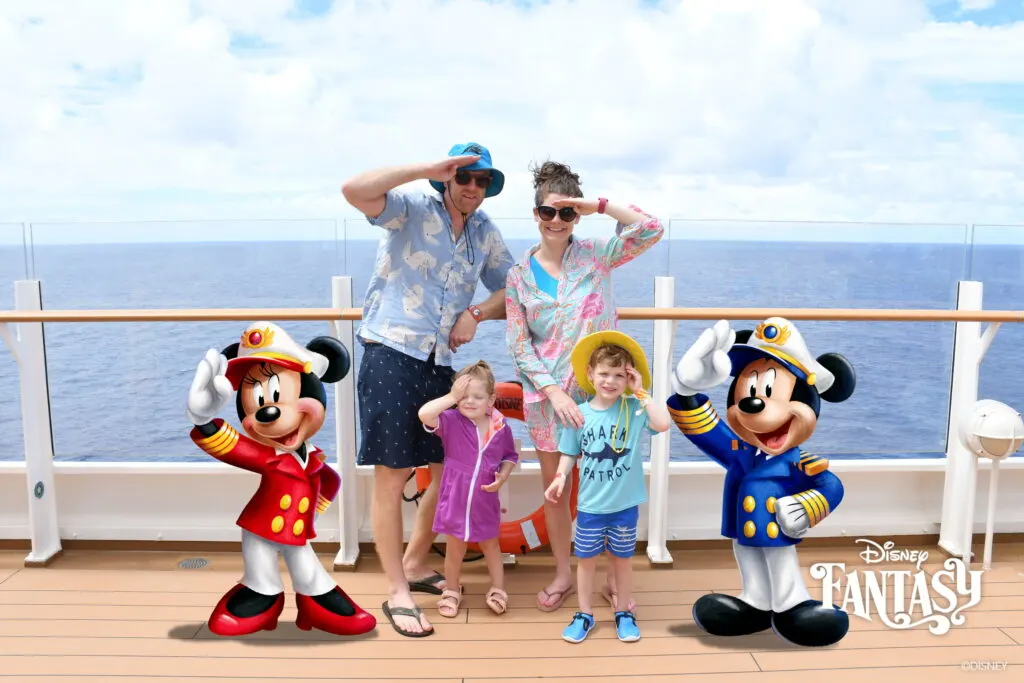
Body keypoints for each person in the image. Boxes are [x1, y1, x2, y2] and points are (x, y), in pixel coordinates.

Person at [340, 142, 515, 638]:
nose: (473, 189)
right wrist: (424, 169)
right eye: (464, 177)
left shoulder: (484, 232)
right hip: (392, 350)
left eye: (482, 181)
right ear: (446, 179)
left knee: (446, 468)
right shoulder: (410, 209)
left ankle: (416, 563)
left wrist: (476, 312)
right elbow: (354, 191)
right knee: (392, 477)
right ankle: (396, 589)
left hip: (441, 362)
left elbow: (515, 288)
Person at [504, 160, 664, 613]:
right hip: (548, 402)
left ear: (577, 216)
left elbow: (651, 228)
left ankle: (615, 579)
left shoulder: (597, 253)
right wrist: (553, 392)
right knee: (556, 492)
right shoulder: (517, 276)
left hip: (607, 396)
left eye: (566, 213)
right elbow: (519, 345)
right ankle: (563, 573)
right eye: (548, 212)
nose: (556, 221)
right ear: (534, 213)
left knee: (609, 485)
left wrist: (598, 205)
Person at [544, 331, 671, 643]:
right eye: (604, 373)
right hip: (590, 506)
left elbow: (663, 423)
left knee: (622, 561)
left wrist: (641, 392)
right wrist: (560, 476)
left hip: (624, 505)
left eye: (619, 375)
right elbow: (569, 452)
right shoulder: (580, 414)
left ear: (629, 377)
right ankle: (584, 613)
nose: (611, 381)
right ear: (590, 374)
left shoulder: (634, 409)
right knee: (585, 562)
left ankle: (623, 611)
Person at [418, 360, 519, 619]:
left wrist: (503, 476)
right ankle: (451, 590)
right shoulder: (450, 420)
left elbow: (510, 455)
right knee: (455, 548)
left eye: (477, 396)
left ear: (491, 399)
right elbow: (424, 414)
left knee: (491, 547)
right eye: (464, 396)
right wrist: (451, 397)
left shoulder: (501, 427)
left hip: (485, 498)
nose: (470, 402)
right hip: (455, 498)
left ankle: (498, 589)